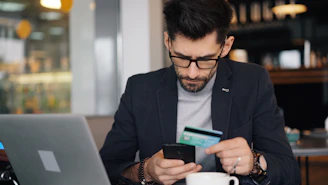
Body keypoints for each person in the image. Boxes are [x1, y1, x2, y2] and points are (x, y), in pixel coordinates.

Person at [100, 0, 301, 185]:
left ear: (226, 47)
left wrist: (256, 163)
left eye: (205, 60)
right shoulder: (140, 89)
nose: (192, 73)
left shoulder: (252, 82)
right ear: (168, 42)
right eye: (181, 57)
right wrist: (146, 171)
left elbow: (290, 172)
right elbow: (106, 169)